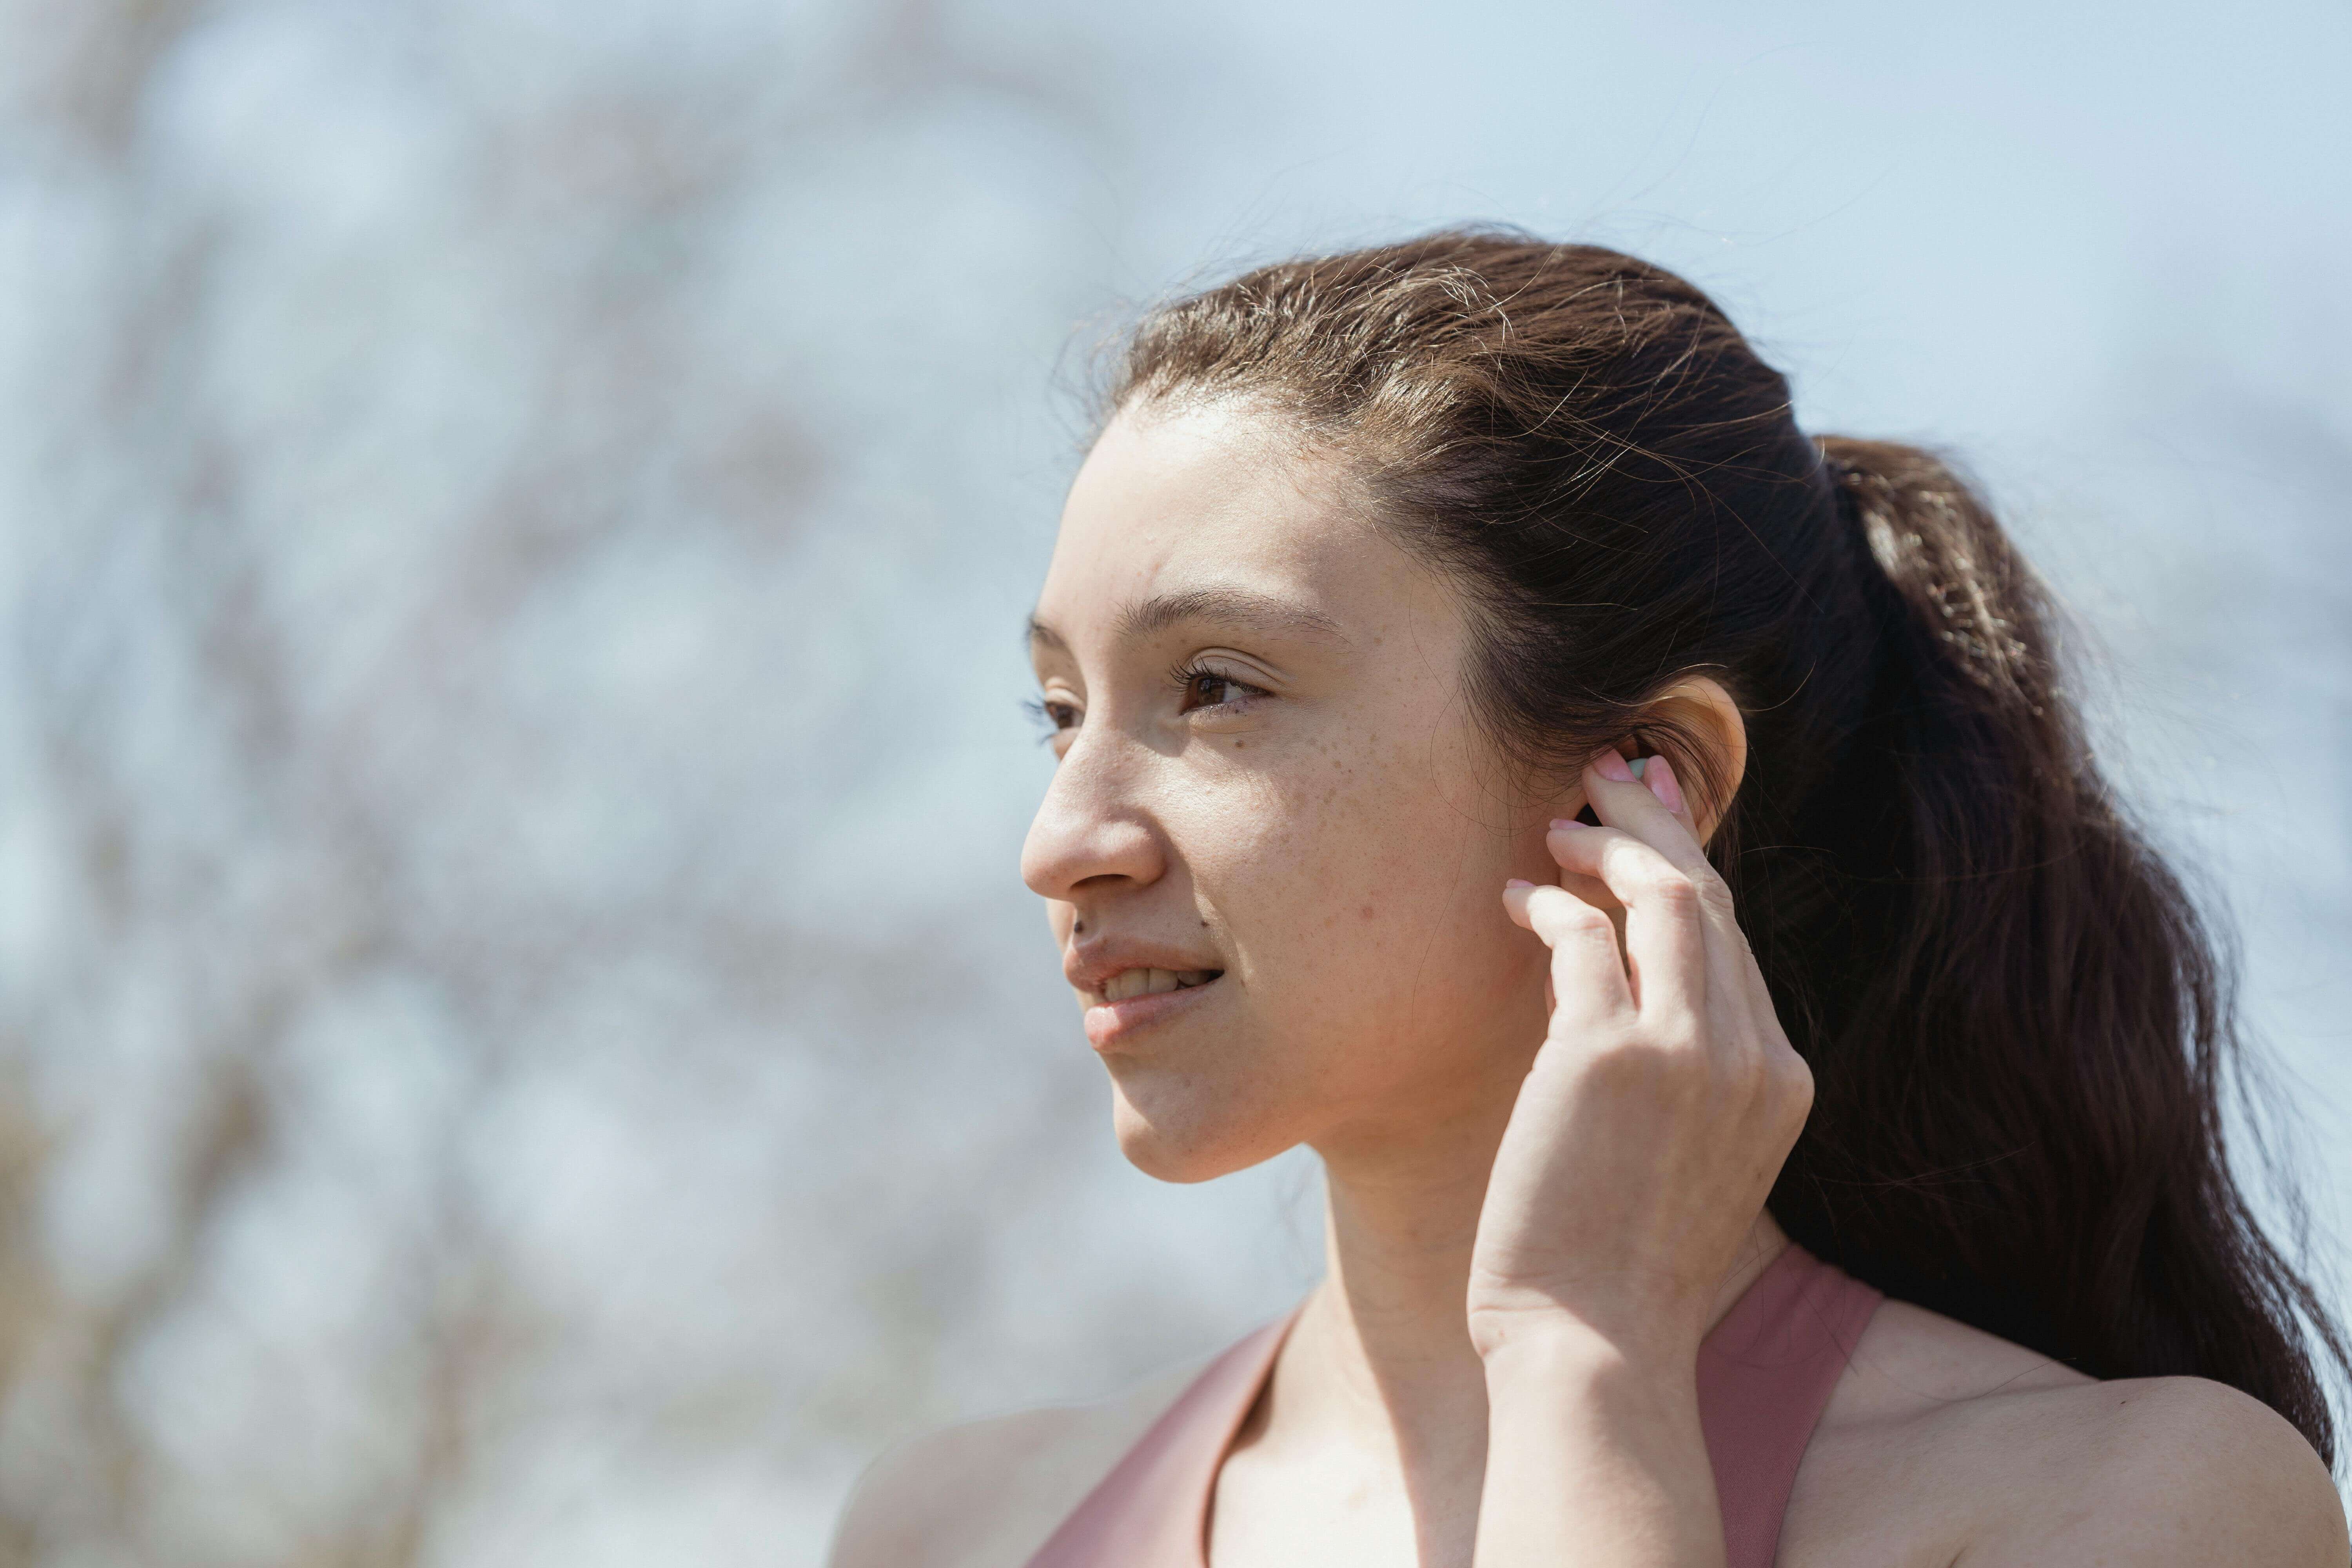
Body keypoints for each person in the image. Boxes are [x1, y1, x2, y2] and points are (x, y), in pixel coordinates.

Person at [828, 231, 2349, 1567]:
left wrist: (1584, 1358)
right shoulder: (951, 1531)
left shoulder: (2125, 1508)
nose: (1062, 840)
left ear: (1647, 780)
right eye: (1059, 712)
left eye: (1217, 686)